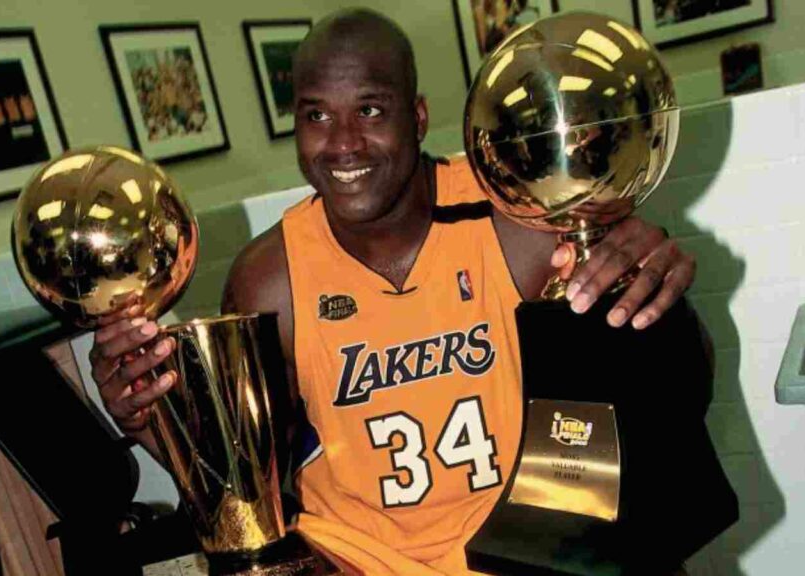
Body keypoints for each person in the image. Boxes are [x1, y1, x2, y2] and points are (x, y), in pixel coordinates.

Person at [89, 8, 696, 575]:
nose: (343, 143)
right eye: (316, 115)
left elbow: (668, 402)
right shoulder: (269, 278)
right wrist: (147, 419)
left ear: (419, 117)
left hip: (527, 557)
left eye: (371, 111)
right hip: (353, 561)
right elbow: (250, 490)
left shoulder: (517, 221)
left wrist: (657, 297)